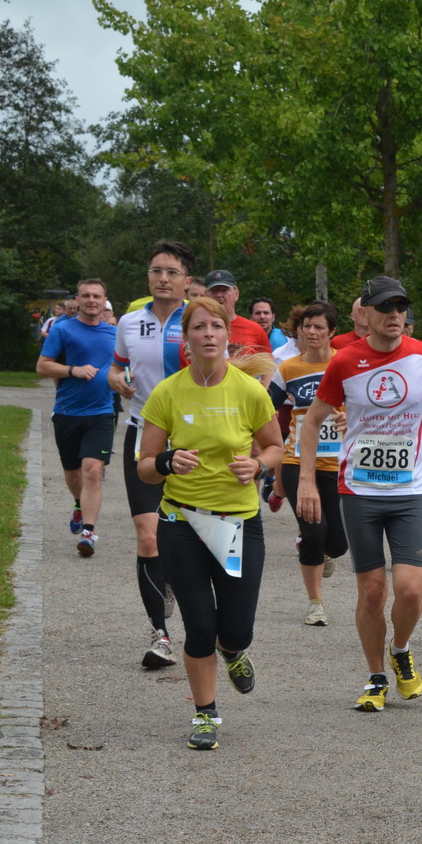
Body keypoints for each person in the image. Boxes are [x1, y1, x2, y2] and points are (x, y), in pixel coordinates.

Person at [295, 276, 422, 712]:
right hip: (359, 492)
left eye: (400, 307)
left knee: (409, 590)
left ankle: (401, 649)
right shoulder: (344, 362)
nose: (394, 315)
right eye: (385, 307)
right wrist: (308, 480)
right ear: (364, 313)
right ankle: (375, 677)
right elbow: (311, 422)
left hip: (410, 492)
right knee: (372, 591)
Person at [136, 296, 284, 750]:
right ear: (187, 339)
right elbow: (143, 466)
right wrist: (167, 461)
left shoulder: (248, 390)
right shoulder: (168, 392)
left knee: (236, 628)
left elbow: (275, 446)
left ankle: (233, 648)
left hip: (238, 521)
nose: (207, 334)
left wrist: (258, 466)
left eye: (215, 327)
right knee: (199, 624)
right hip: (181, 522)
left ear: (226, 335)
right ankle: (205, 714)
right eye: (198, 327)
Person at [109, 240, 194, 670]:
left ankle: (186, 595)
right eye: (156, 270)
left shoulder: (200, 320)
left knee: (186, 534)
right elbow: (115, 365)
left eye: (171, 272)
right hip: (143, 434)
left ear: (187, 281)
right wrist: (116, 380)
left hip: (194, 439)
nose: (162, 278)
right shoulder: (128, 321)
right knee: (147, 536)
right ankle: (159, 634)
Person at [270, 301, 348, 626]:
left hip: (335, 465)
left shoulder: (345, 365)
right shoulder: (287, 368)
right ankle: (315, 603)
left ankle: (326, 553)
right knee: (314, 533)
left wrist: (351, 419)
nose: (311, 332)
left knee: (338, 543)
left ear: (332, 332)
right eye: (306, 326)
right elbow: (265, 410)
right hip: (296, 462)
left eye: (319, 327)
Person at [36, 279, 118, 559]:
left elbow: (126, 367)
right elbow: (42, 367)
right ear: (78, 300)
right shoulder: (63, 329)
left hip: (102, 413)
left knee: (93, 470)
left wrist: (126, 382)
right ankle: (78, 504)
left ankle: (89, 534)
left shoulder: (114, 334)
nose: (92, 300)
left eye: (97, 296)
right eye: (86, 295)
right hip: (68, 413)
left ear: (104, 300)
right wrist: (73, 370)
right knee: (73, 473)